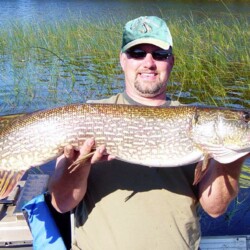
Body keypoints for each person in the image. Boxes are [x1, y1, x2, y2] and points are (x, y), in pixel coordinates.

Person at [48, 16, 249, 250]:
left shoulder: (199, 129)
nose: (149, 63)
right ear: (123, 60)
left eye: (160, 55)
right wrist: (81, 164)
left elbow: (214, 208)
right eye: (137, 53)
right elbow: (62, 204)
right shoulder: (88, 115)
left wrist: (236, 153)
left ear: (171, 61)